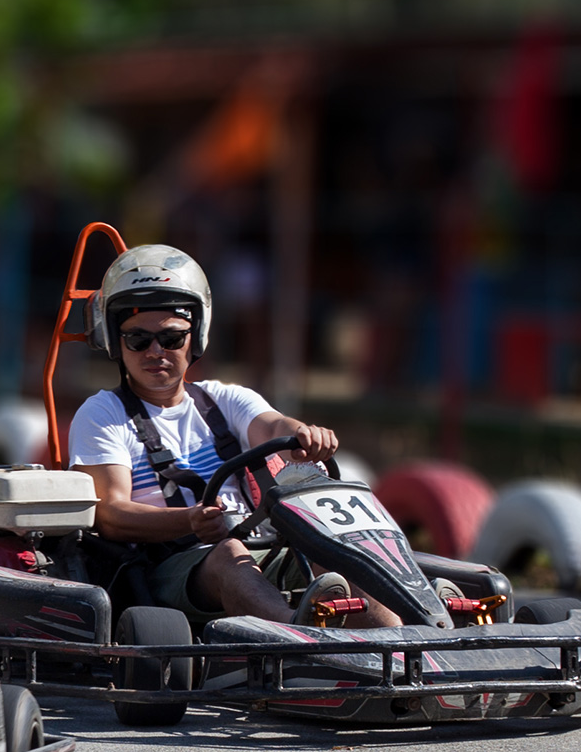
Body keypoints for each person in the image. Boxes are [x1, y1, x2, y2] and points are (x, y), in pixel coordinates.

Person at [67, 245, 399, 628]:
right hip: (168, 566)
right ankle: (299, 636)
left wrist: (304, 436)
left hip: (261, 548)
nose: (155, 351)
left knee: (336, 549)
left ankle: (404, 644)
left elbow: (275, 428)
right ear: (116, 342)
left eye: (172, 339)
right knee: (228, 553)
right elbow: (111, 514)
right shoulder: (103, 412)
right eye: (138, 339)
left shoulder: (224, 398)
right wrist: (189, 520)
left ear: (196, 337)